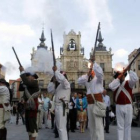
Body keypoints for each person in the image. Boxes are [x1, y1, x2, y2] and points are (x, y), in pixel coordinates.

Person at [77, 58, 104, 140]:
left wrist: (94, 63)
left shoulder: (98, 79)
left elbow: (100, 73)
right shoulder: (87, 79)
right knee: (91, 126)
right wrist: (87, 75)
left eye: (92, 70)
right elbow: (79, 81)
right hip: (90, 104)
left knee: (98, 126)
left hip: (97, 103)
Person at [109, 66, 138, 140]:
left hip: (128, 106)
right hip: (119, 106)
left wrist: (129, 70)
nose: (121, 76)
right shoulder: (115, 84)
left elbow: (135, 79)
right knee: (120, 126)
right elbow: (111, 86)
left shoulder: (129, 83)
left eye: (122, 74)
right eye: (119, 75)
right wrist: (119, 77)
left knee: (128, 126)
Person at [47, 66, 70, 140]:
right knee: (59, 127)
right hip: (57, 107)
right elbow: (50, 90)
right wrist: (52, 80)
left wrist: (56, 72)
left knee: (61, 128)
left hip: (61, 107)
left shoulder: (66, 83)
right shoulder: (58, 87)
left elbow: (62, 79)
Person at [19, 66, 40, 140]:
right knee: (28, 127)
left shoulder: (34, 82)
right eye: (27, 76)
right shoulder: (27, 85)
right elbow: (20, 88)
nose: (27, 77)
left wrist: (22, 72)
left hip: (32, 107)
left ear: (33, 77)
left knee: (32, 126)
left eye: (28, 76)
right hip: (28, 107)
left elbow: (27, 82)